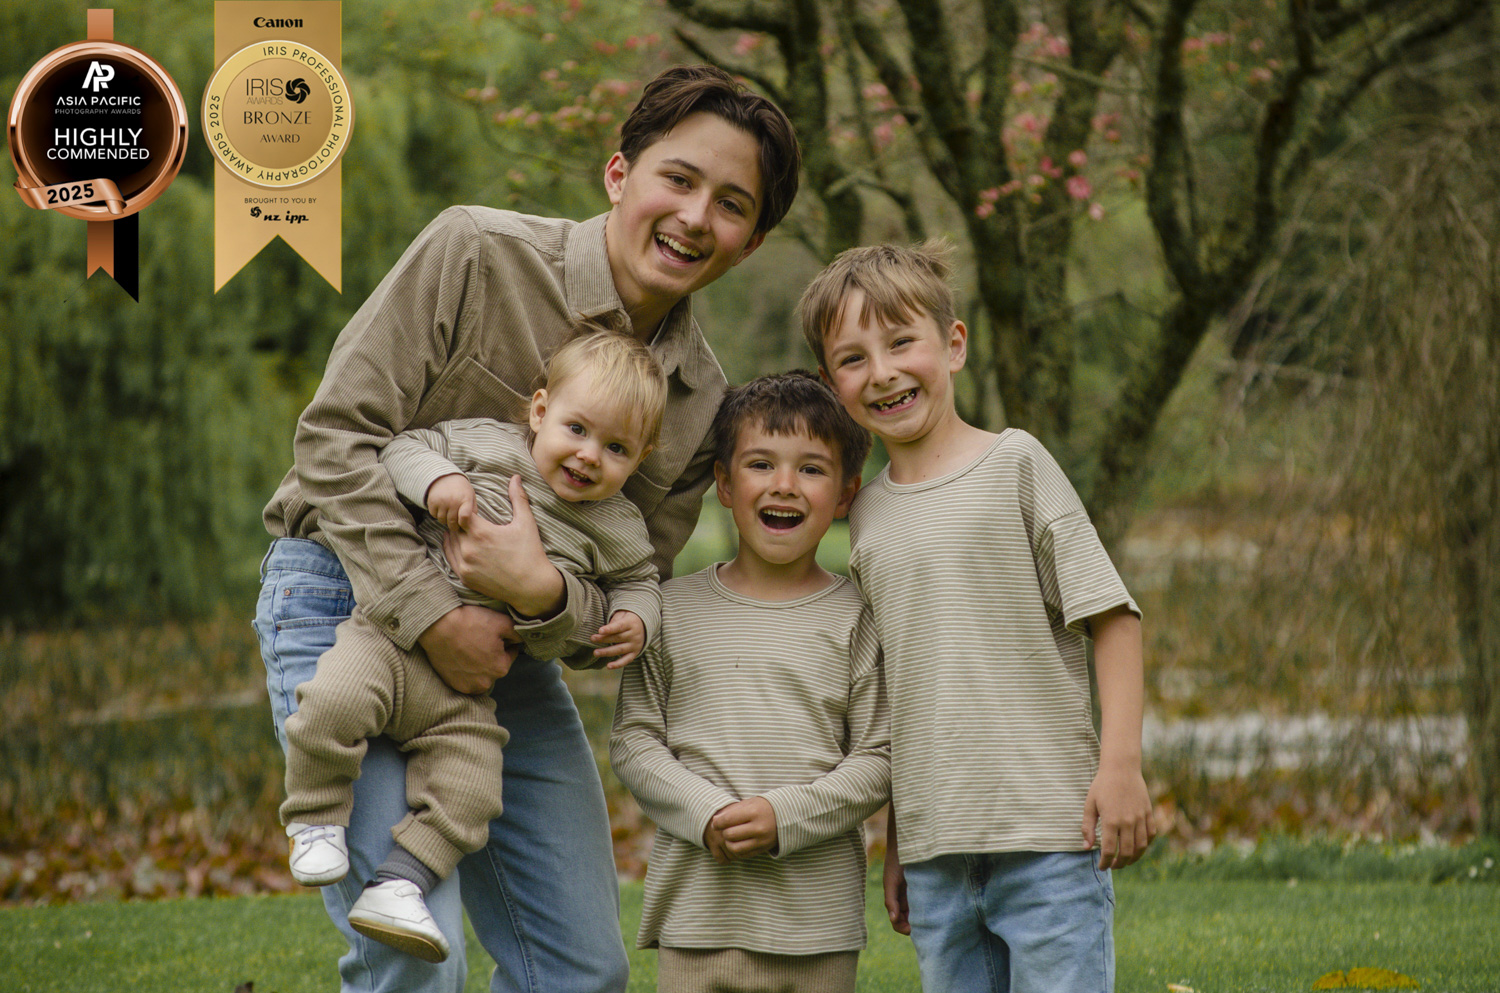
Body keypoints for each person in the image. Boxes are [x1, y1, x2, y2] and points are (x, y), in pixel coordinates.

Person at [253, 64, 801, 993]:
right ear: (619, 174)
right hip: (345, 595)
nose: (696, 216)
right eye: (679, 177)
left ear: (748, 243)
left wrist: (540, 595)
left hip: (503, 660)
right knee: (411, 949)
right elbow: (334, 439)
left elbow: (623, 601)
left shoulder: (703, 397)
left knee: (581, 970)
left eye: (732, 204)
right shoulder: (476, 252)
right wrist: (434, 612)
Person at [797, 242, 1156, 993]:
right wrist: (900, 838)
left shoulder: (1015, 464)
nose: (885, 371)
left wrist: (1120, 766)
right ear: (834, 384)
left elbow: (1114, 618)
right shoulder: (864, 517)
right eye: (854, 358)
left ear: (953, 345)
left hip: (1049, 836)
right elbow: (904, 689)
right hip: (936, 855)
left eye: (902, 342)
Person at [280, 331, 668, 964]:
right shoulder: (488, 443)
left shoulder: (617, 523)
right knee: (332, 702)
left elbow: (640, 580)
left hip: (470, 687)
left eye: (617, 447)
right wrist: (438, 482)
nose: (589, 456)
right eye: (576, 429)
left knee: (472, 787)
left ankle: (401, 882)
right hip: (390, 638)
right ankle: (316, 815)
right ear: (540, 411)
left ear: (641, 456)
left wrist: (637, 619)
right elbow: (408, 445)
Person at [610, 371, 889, 993]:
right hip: (697, 914)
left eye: (812, 470)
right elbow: (635, 741)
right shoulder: (669, 609)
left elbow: (878, 757)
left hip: (814, 924)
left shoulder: (858, 619)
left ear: (846, 494)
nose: (784, 485)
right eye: (761, 464)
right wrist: (706, 811)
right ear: (724, 485)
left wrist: (783, 815)